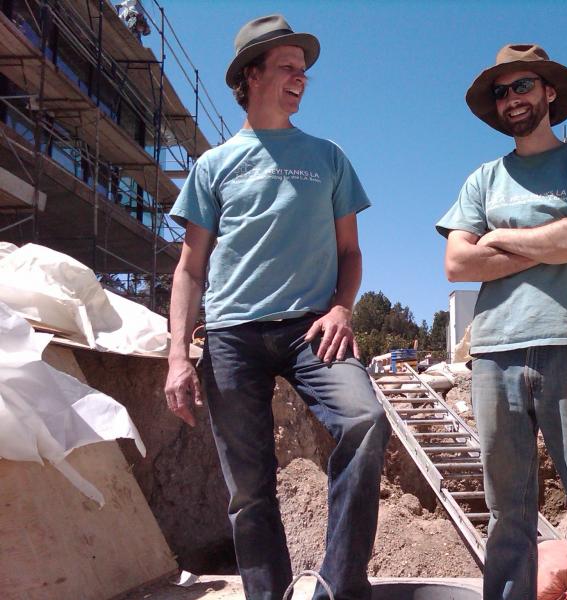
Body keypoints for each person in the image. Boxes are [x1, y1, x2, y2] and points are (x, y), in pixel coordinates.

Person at [163, 14, 390, 600]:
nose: (301, 79)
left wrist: (342, 309)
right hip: (233, 334)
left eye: (304, 71)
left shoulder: (328, 157)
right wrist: (177, 357)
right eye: (289, 68)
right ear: (251, 75)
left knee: (364, 419)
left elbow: (350, 252)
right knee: (248, 488)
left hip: (311, 328)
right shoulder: (214, 166)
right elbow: (189, 268)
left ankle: (339, 588)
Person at [436, 44, 567, 599]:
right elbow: (457, 262)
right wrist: (554, 241)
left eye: (523, 86)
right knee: (506, 515)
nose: (512, 99)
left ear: (549, 93)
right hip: (494, 353)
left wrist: (498, 238)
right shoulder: (482, 180)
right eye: (502, 92)